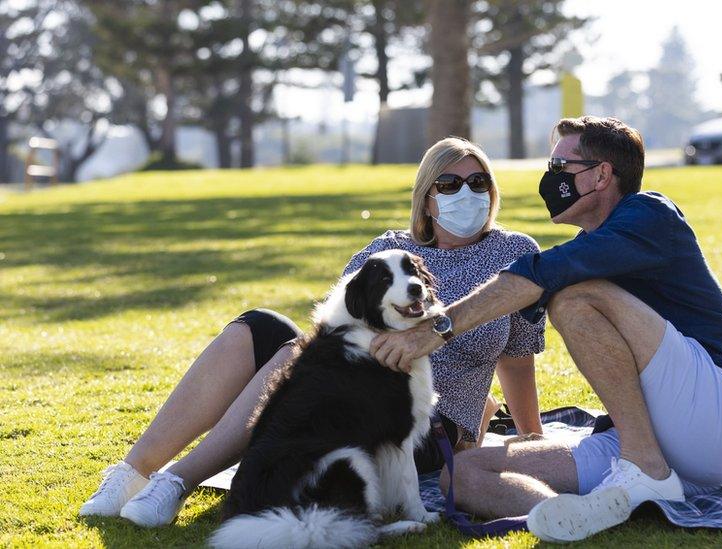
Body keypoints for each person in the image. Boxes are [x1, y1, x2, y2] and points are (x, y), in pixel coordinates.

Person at [79, 137, 546, 527]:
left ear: (492, 191)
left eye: (478, 182)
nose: (466, 192)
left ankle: (178, 481)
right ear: (427, 197)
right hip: (347, 395)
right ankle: (133, 472)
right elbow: (330, 334)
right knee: (261, 328)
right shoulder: (387, 248)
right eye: (449, 183)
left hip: (418, 423)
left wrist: (532, 439)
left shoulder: (514, 253)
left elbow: (518, 359)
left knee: (292, 360)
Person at [370, 116, 722, 542]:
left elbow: (544, 273)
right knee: (462, 475)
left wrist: (435, 330)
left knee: (574, 297)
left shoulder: (650, 214)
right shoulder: (593, 240)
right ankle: (573, 513)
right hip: (652, 438)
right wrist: (530, 436)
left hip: (720, 410)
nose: (550, 178)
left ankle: (645, 469)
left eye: (561, 168)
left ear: (601, 175)